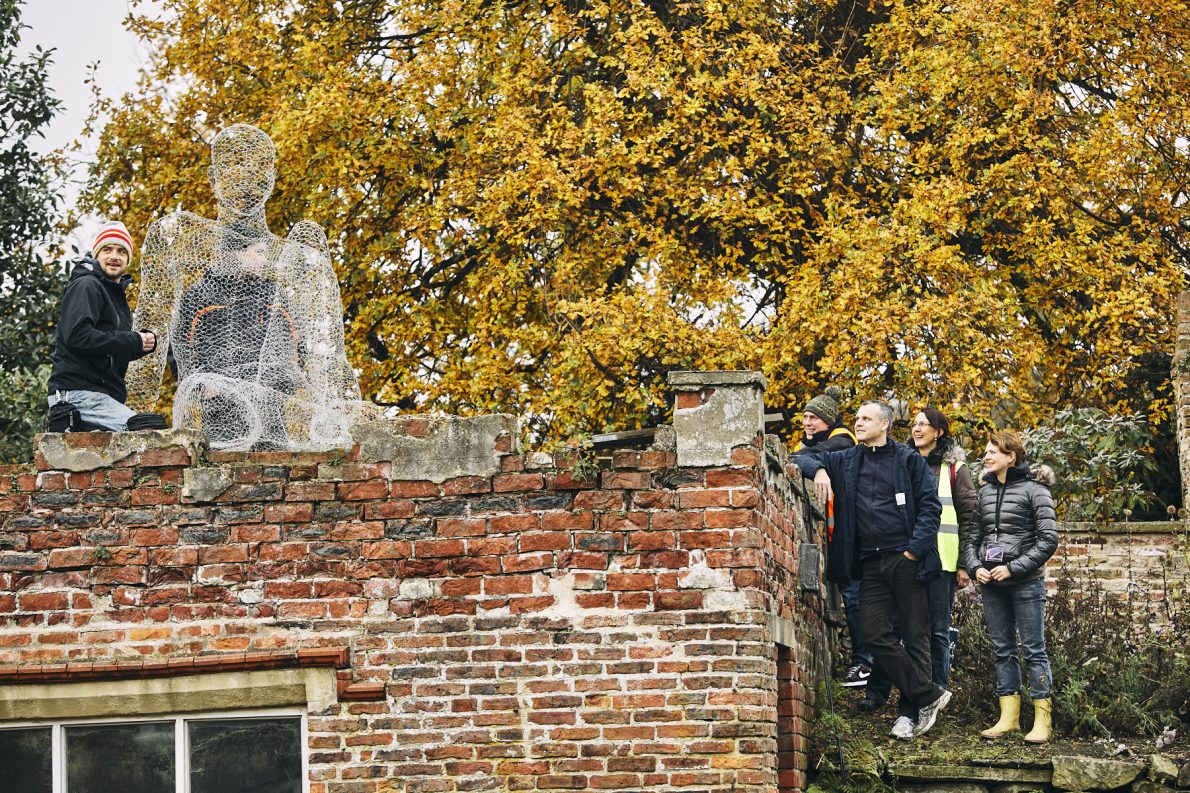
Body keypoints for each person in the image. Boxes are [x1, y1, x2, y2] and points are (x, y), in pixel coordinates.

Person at [794, 400, 951, 740]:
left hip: (907, 560)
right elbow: (799, 457)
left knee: (915, 637)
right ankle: (929, 695)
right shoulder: (846, 459)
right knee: (874, 635)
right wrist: (819, 471)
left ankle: (909, 715)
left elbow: (930, 506)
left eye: (866, 418)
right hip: (869, 563)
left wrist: (913, 550)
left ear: (885, 425)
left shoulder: (908, 459)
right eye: (857, 418)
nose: (859, 423)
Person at [861, 408, 977, 710]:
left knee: (936, 630)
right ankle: (879, 692)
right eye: (914, 424)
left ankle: (936, 691)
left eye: (923, 424)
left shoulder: (954, 468)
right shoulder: (901, 461)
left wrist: (965, 563)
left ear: (939, 431)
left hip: (942, 559)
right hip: (907, 557)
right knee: (894, 627)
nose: (916, 429)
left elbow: (968, 515)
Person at [962, 431, 1057, 743]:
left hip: (1026, 584)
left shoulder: (1036, 490)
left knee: (1034, 651)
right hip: (991, 586)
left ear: (1010, 456)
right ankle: (1009, 718)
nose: (987, 457)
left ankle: (1042, 721)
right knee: (1002, 650)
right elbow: (973, 537)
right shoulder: (985, 492)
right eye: (986, 452)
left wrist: (1013, 568)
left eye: (993, 452)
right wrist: (976, 567)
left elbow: (1048, 540)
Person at [173, 222, 301, 449]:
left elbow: (296, 346)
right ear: (237, 253)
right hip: (219, 405)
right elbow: (180, 349)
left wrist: (281, 387)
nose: (265, 260)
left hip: (267, 404)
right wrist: (202, 387)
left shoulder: (273, 295)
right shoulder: (200, 294)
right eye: (259, 252)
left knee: (275, 472)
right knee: (223, 474)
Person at [792, 387, 871, 688]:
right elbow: (800, 458)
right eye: (805, 417)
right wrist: (819, 471)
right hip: (847, 536)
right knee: (854, 599)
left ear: (827, 420)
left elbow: (802, 456)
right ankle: (864, 662)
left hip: (859, 536)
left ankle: (866, 662)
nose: (807, 423)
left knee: (859, 599)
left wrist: (818, 467)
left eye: (813, 418)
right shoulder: (826, 443)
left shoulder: (842, 440)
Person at [46, 222, 157, 431]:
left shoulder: (115, 295)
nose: (114, 256)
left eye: (121, 251)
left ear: (128, 259)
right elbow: (78, 337)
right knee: (149, 432)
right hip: (76, 394)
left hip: (102, 396)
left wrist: (141, 344)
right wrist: (133, 340)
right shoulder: (87, 284)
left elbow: (107, 348)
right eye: (107, 250)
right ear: (97, 254)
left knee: (148, 431)